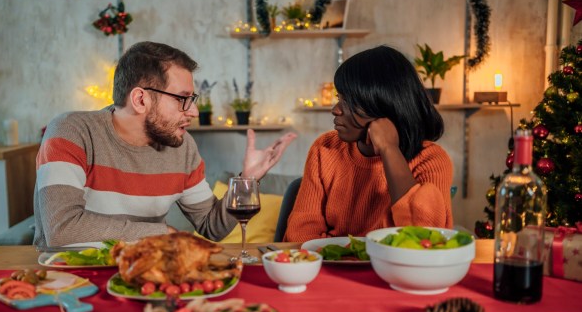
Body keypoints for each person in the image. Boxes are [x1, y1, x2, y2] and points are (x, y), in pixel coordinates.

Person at [34, 41, 296, 248]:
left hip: (145, 274)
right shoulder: (71, 132)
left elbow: (213, 226)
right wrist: (162, 233)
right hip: (70, 279)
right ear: (140, 100)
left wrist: (247, 180)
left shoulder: (182, 148)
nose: (193, 112)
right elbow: (62, 229)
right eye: (183, 99)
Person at [284, 45, 453, 243]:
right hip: (333, 268)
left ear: (384, 105)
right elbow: (299, 234)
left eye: (349, 101)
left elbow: (426, 237)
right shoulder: (325, 148)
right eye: (340, 98)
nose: (335, 110)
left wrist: (389, 150)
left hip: (395, 272)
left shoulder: (431, 160)